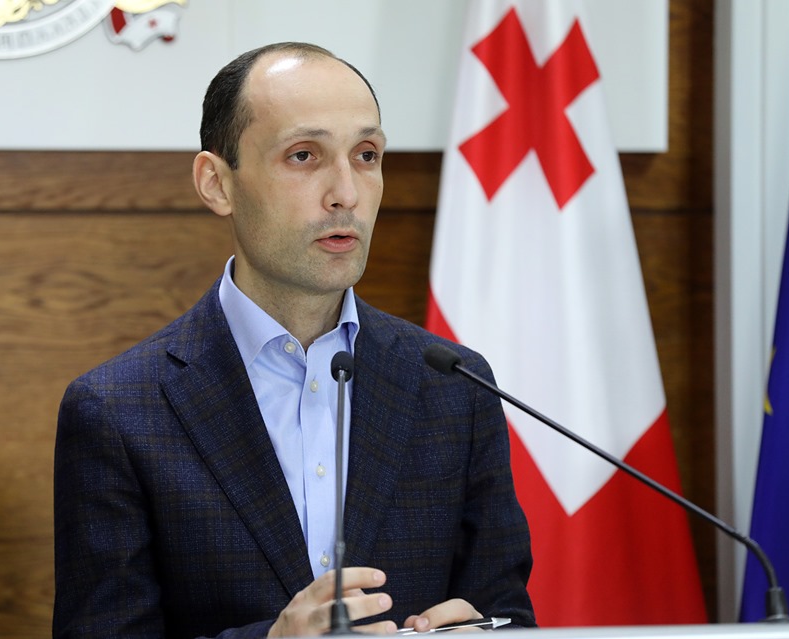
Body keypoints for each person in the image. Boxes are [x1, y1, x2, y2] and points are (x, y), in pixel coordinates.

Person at [53, 42, 535, 638]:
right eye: (304, 155)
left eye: (366, 155)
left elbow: (507, 613)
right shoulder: (117, 410)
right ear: (217, 184)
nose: (346, 193)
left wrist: (486, 634)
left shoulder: (454, 385)